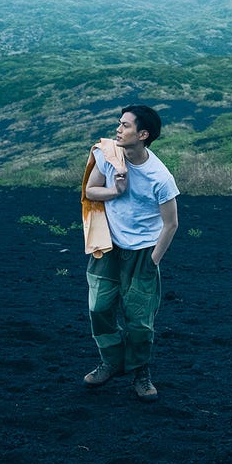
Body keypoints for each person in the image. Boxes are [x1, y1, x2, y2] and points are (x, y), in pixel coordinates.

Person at [81, 105, 179, 401]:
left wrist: (153, 261)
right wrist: (115, 191)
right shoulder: (107, 156)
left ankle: (140, 372)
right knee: (99, 308)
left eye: (125, 125)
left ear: (143, 134)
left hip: (142, 254)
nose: (118, 129)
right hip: (108, 248)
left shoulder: (160, 177)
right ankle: (111, 361)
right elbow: (91, 190)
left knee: (139, 321)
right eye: (119, 123)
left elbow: (171, 224)